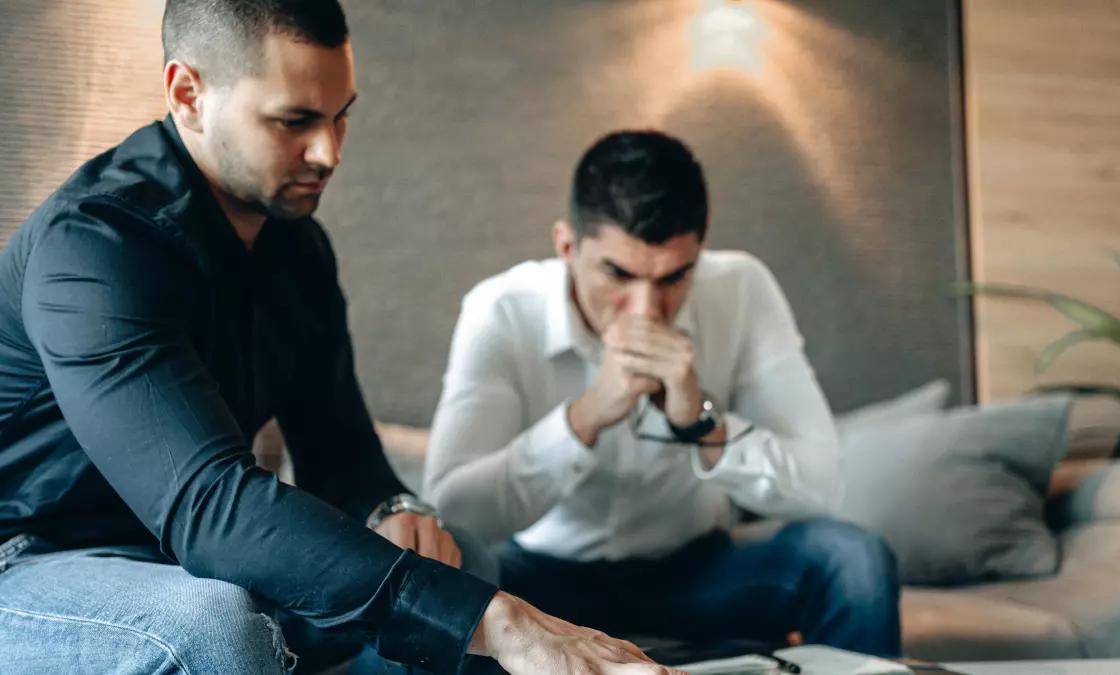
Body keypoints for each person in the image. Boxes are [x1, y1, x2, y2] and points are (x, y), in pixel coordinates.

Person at [0, 2, 682, 674]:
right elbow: (209, 505)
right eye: (294, 120)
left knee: (461, 557)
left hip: (176, 557)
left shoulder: (296, 247)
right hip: (28, 558)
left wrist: (397, 508)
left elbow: (344, 458)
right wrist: (498, 620)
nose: (328, 151)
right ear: (189, 95)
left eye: (340, 114)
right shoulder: (93, 247)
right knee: (208, 626)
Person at [424, 130, 902, 657]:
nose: (647, 309)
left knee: (852, 559)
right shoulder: (502, 310)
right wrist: (583, 419)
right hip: (539, 578)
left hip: (697, 574)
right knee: (432, 577)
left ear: (699, 251)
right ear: (567, 246)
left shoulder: (743, 289)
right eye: (618, 274)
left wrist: (702, 424)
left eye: (675, 277)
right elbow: (453, 509)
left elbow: (822, 487)